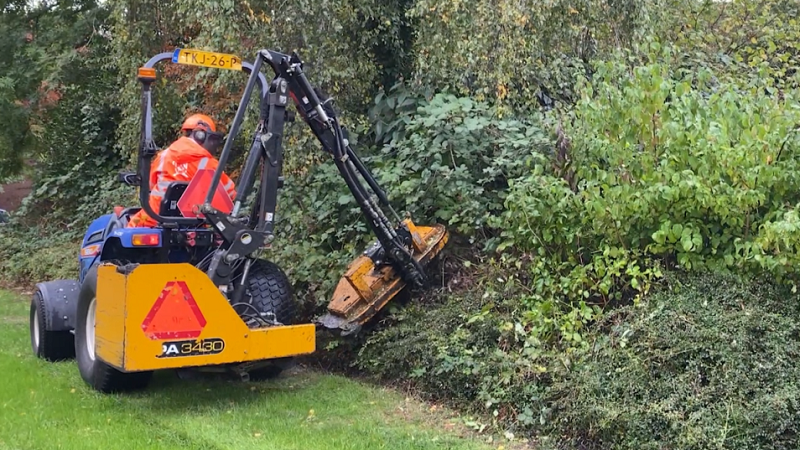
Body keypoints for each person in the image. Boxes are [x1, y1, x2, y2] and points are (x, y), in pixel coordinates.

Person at [127, 113, 237, 228]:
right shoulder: (210, 164)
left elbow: (150, 185)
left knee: (129, 228)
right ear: (201, 136)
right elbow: (230, 194)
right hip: (194, 223)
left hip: (154, 218)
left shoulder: (164, 156)